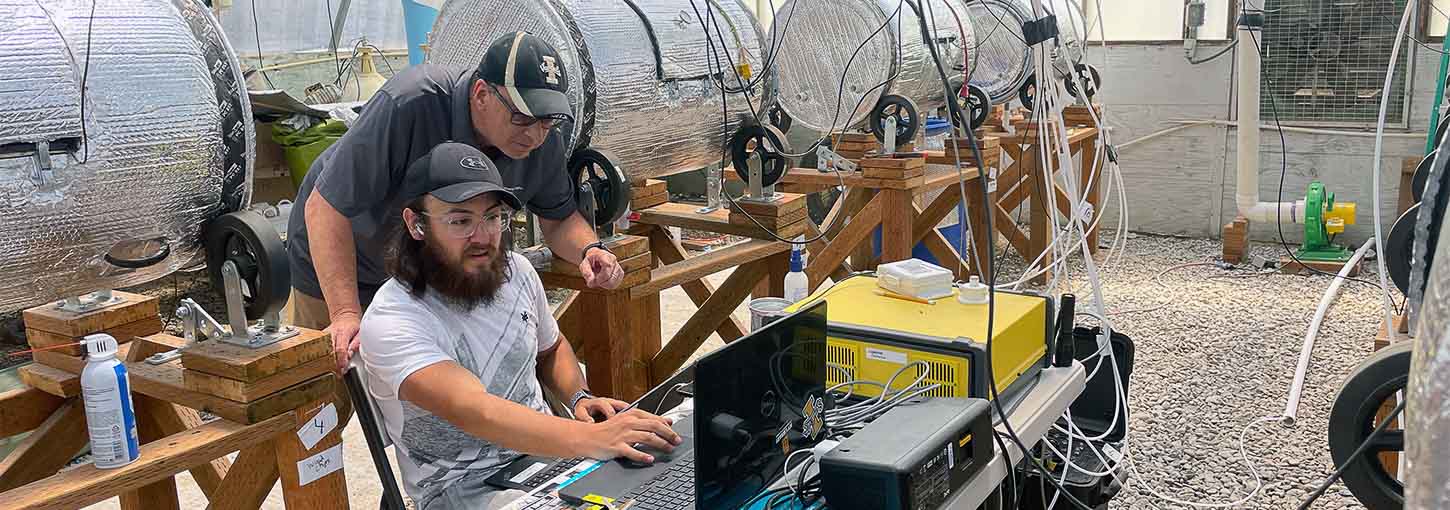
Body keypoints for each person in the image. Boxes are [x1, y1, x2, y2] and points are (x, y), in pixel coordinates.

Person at [357, 142, 681, 509]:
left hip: (550, 459)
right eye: (460, 221)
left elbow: (551, 348)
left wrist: (579, 397)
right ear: (416, 224)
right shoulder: (393, 318)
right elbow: (476, 411)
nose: (482, 237)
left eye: (493, 217)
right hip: (462, 487)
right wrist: (594, 439)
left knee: (669, 480)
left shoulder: (516, 273)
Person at [288, 32, 624, 372]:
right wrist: (344, 312)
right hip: (346, 261)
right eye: (522, 117)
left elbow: (560, 218)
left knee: (427, 392)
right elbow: (324, 208)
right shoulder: (410, 103)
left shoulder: (540, 141)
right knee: (332, 390)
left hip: (430, 275)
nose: (535, 134)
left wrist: (590, 250)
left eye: (546, 119)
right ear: (481, 94)